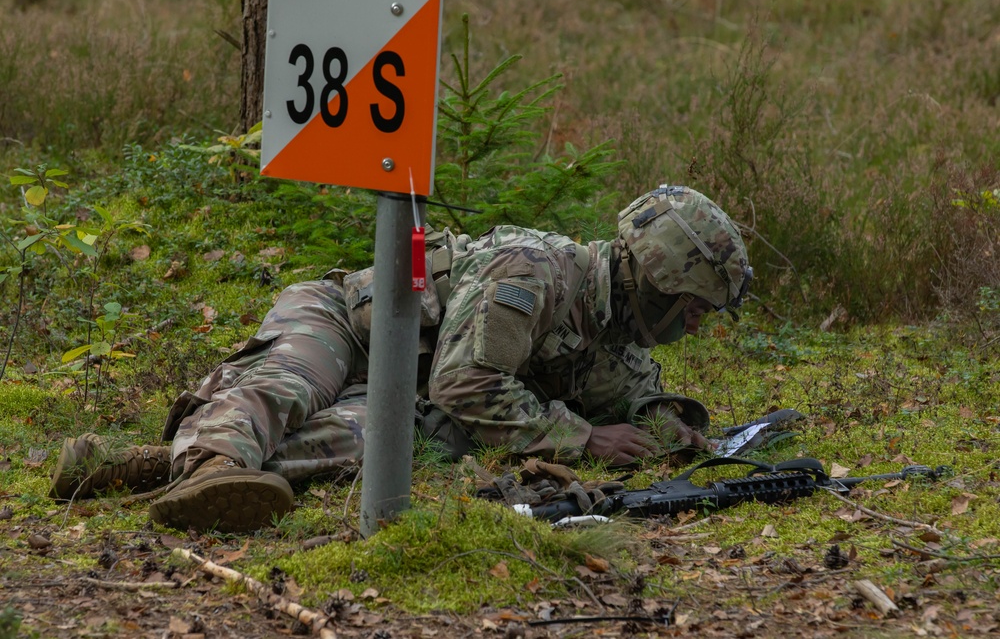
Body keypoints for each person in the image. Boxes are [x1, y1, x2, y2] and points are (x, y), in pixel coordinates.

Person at [49, 185, 752, 533]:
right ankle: (210, 467)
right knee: (293, 384)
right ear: (658, 281)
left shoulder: (612, 327)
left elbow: (634, 397)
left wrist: (666, 429)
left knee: (376, 443)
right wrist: (582, 437)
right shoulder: (536, 272)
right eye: (691, 306)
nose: (692, 323)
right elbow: (464, 381)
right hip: (347, 324)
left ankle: (137, 465)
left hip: (405, 383)